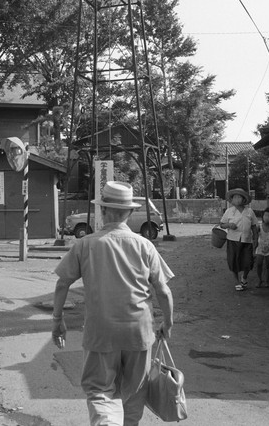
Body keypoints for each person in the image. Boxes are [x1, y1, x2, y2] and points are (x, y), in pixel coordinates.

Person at [51, 181, 175, 425]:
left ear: (102, 211)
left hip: (101, 331)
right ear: (129, 213)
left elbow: (62, 283)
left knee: (100, 390)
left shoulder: (85, 244)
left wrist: (57, 320)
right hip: (139, 332)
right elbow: (163, 290)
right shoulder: (145, 245)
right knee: (134, 392)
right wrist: (167, 323)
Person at [219, 188, 258, 291]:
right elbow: (222, 224)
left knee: (248, 261)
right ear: (231, 199)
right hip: (232, 240)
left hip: (246, 240)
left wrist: (256, 239)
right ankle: (237, 281)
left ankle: (244, 277)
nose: (236, 199)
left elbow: (254, 226)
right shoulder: (229, 211)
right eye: (235, 197)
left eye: (239, 197)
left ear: (243, 199)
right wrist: (229, 225)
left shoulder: (249, 211)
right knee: (233, 261)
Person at [254, 208, 269, 288]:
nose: (267, 217)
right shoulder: (259, 226)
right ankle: (259, 279)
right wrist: (254, 247)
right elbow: (255, 237)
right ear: (262, 216)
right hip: (260, 247)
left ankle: (267, 281)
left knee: (268, 264)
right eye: (265, 215)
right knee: (259, 264)